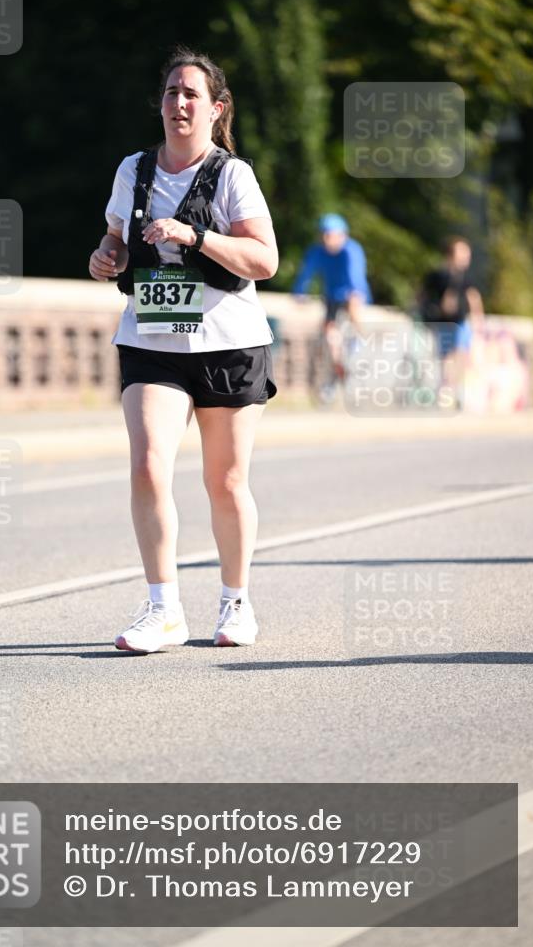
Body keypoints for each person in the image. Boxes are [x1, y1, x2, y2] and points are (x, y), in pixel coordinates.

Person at [88, 47, 278, 654]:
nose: (179, 103)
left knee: (224, 482)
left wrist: (195, 234)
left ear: (214, 108)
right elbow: (115, 240)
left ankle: (235, 601)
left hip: (228, 343)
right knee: (147, 465)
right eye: (171, 92)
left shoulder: (232, 176)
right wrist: (107, 257)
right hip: (152, 339)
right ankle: (163, 608)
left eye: (192, 94)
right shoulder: (134, 170)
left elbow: (265, 260)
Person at [292, 214, 371, 388]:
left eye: (330, 235)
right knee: (329, 330)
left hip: (352, 293)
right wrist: (299, 292)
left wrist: (354, 294)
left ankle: (358, 344)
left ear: (342, 235)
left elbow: (355, 276)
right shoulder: (317, 251)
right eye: (324, 235)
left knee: (353, 303)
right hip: (332, 295)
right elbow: (306, 274)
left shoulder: (351, 250)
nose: (326, 240)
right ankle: (338, 365)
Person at [419, 236, 484, 398]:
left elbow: (473, 297)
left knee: (460, 354)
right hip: (443, 323)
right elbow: (422, 294)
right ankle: (446, 388)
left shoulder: (465, 277)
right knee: (446, 356)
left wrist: (478, 319)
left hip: (460, 322)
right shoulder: (438, 275)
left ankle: (454, 389)